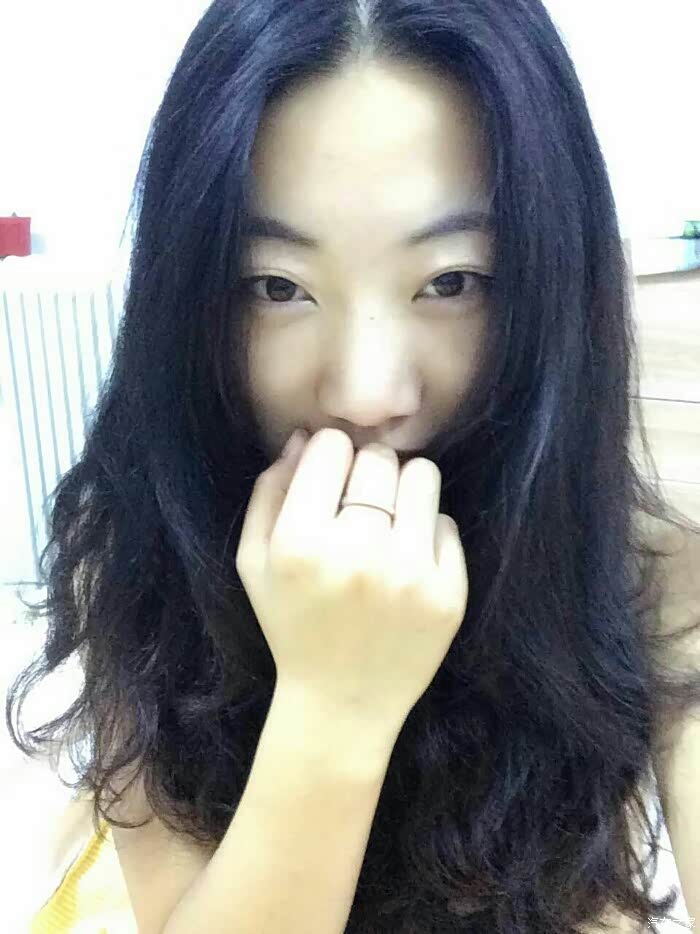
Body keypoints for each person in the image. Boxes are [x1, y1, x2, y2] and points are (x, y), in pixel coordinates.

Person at [6, 0, 700, 931]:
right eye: (277, 286)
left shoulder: (654, 580)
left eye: (452, 281)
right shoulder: (144, 554)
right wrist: (332, 707)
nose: (367, 393)